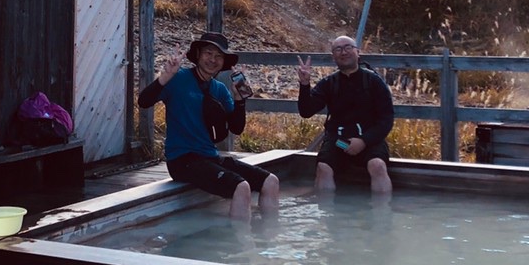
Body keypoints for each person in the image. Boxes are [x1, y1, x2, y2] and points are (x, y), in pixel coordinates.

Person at [139, 31, 280, 219]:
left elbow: (236, 128)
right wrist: (164, 78)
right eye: (208, 53)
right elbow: (144, 102)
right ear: (197, 55)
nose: (212, 60)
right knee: (241, 186)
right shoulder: (178, 78)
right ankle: (243, 244)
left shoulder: (219, 89)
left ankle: (269, 236)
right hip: (182, 160)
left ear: (224, 62)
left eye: (218, 56)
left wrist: (239, 101)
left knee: (271, 181)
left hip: (209, 157)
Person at [298, 35, 393, 193]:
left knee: (377, 166)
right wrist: (304, 85)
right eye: (338, 49)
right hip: (339, 142)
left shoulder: (374, 81)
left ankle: (382, 214)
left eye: (348, 48)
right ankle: (328, 215)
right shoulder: (329, 83)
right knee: (323, 168)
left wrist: (363, 141)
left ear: (357, 52)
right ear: (333, 57)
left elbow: (387, 119)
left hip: (370, 141)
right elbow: (306, 111)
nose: (343, 52)